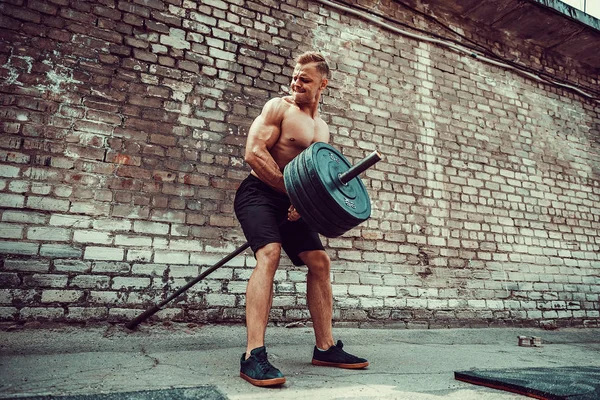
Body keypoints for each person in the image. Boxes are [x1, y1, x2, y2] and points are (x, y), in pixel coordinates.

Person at [233, 51, 369, 387]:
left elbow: (316, 179)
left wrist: (306, 203)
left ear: (323, 83)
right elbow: (253, 152)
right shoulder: (278, 108)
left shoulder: (322, 129)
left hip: (292, 202)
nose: (296, 82)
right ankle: (253, 355)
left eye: (304, 79)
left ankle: (325, 348)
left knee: (320, 262)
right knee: (270, 253)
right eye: (295, 76)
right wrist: (290, 191)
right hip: (258, 193)